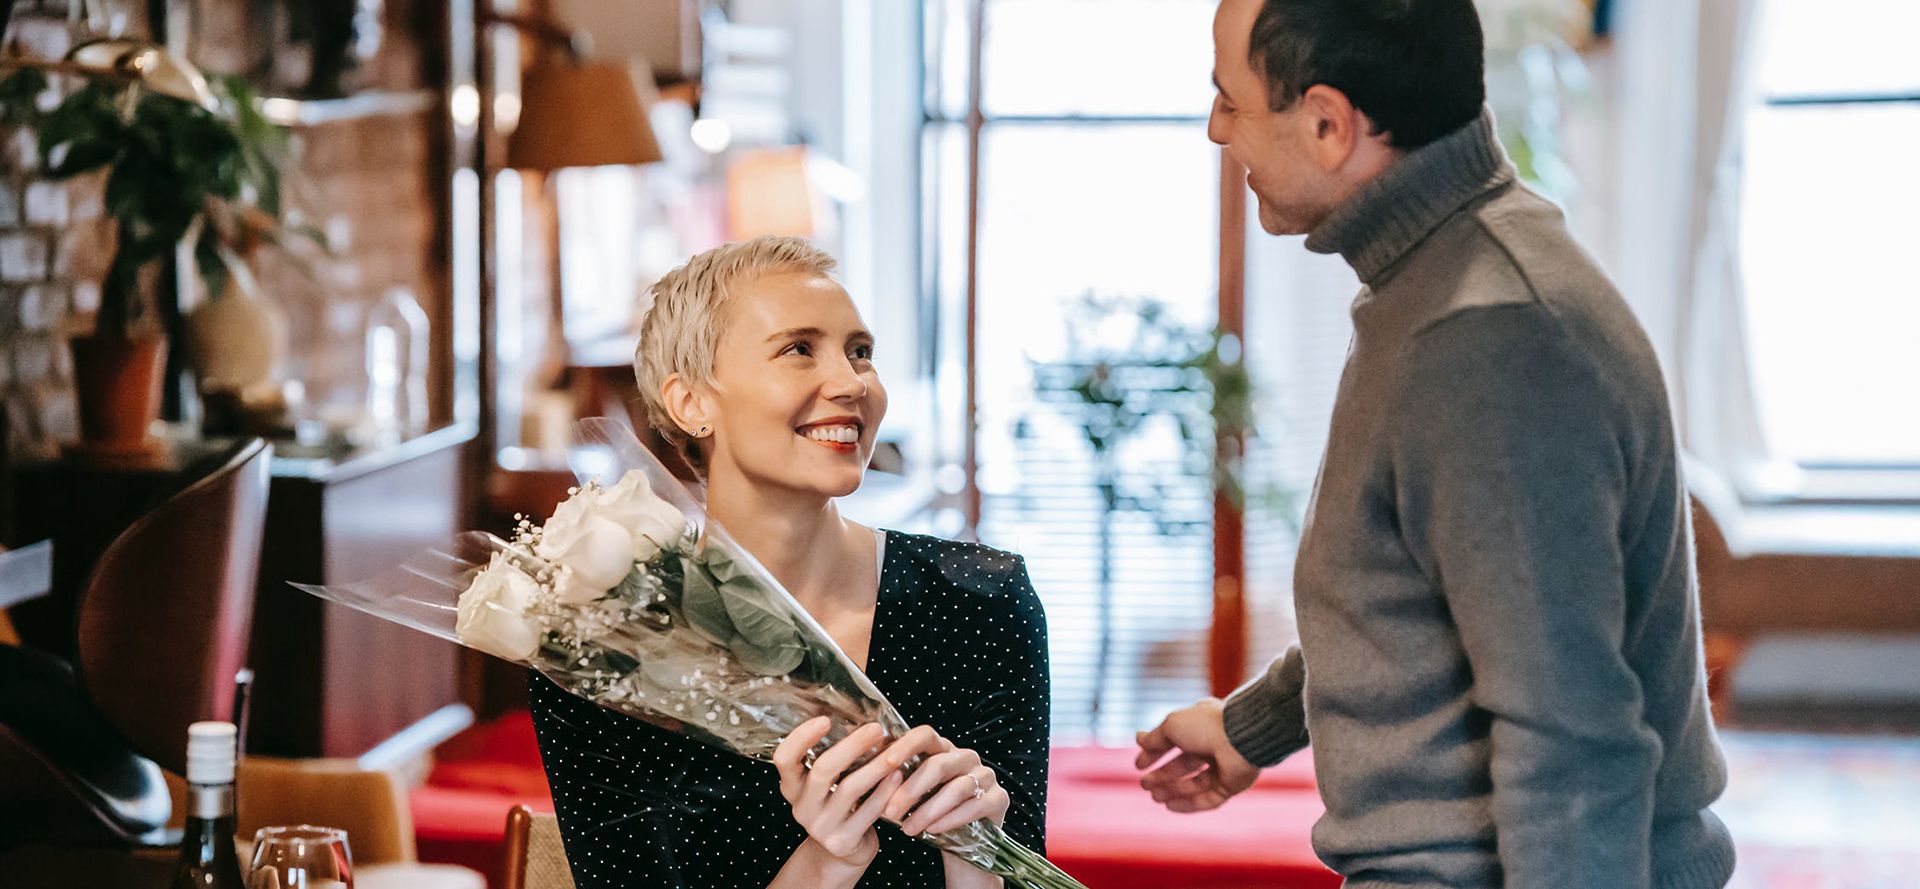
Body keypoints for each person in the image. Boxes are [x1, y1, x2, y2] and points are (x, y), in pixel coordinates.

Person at [1134, 2, 1735, 887]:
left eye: (1230, 101)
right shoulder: (1444, 277)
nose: (1216, 128)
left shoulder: (1486, 338)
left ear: (1329, 123)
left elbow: (1572, 739)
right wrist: (1248, 725)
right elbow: (1428, 606)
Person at [531, 237, 1050, 889]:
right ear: (692, 402)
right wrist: (828, 861)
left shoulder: (981, 601)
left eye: (860, 351)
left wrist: (976, 857)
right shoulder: (606, 647)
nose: (853, 382)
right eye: (799, 349)